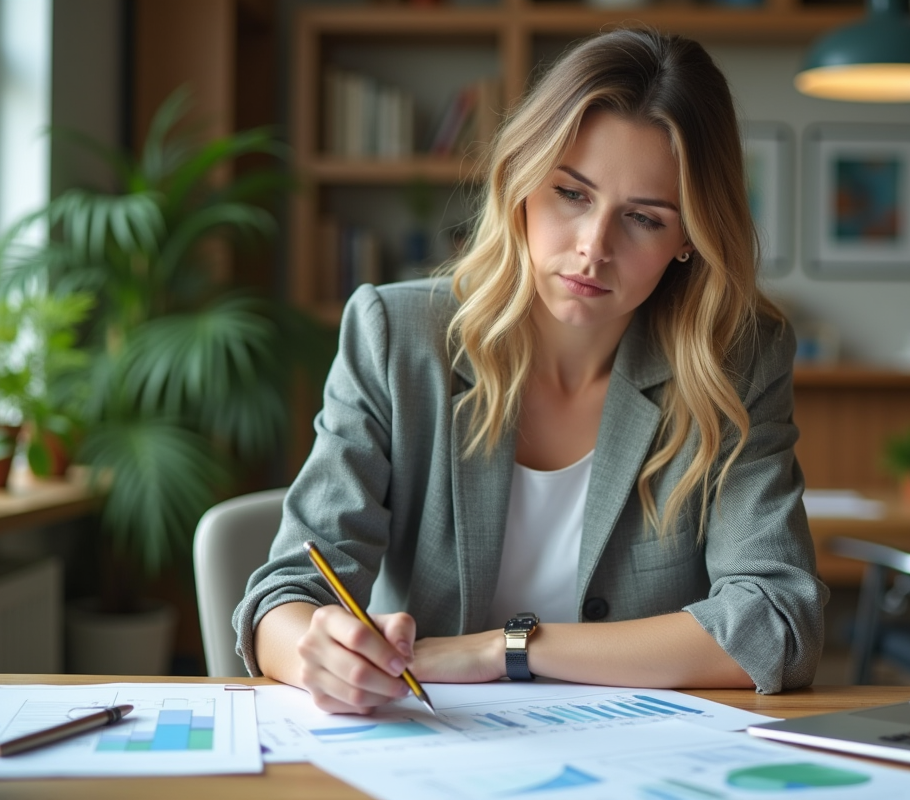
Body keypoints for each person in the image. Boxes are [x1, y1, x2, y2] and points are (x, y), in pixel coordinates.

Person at [233, 27, 827, 715]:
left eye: (643, 217)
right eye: (571, 194)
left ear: (689, 236)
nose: (594, 248)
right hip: (429, 748)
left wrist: (504, 650)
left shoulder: (736, 359)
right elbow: (283, 600)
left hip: (636, 761)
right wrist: (325, 656)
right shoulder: (397, 337)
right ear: (520, 179)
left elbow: (779, 621)